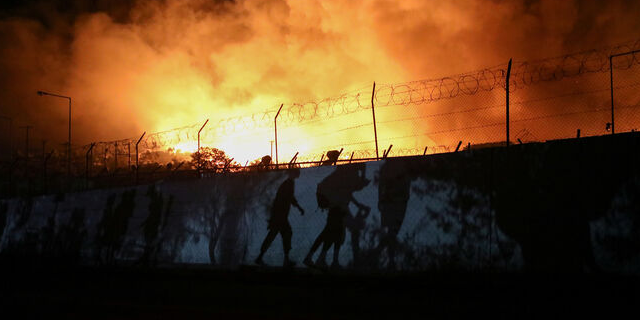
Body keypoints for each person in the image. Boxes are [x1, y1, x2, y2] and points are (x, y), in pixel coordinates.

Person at [255, 168, 304, 267]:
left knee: (276, 235)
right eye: (297, 172)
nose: (299, 173)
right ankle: (283, 259)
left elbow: (290, 197)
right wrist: (298, 207)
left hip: (279, 215)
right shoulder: (288, 184)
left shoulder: (289, 183)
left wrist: (298, 207)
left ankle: (261, 257)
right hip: (280, 215)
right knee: (283, 234)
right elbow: (289, 198)